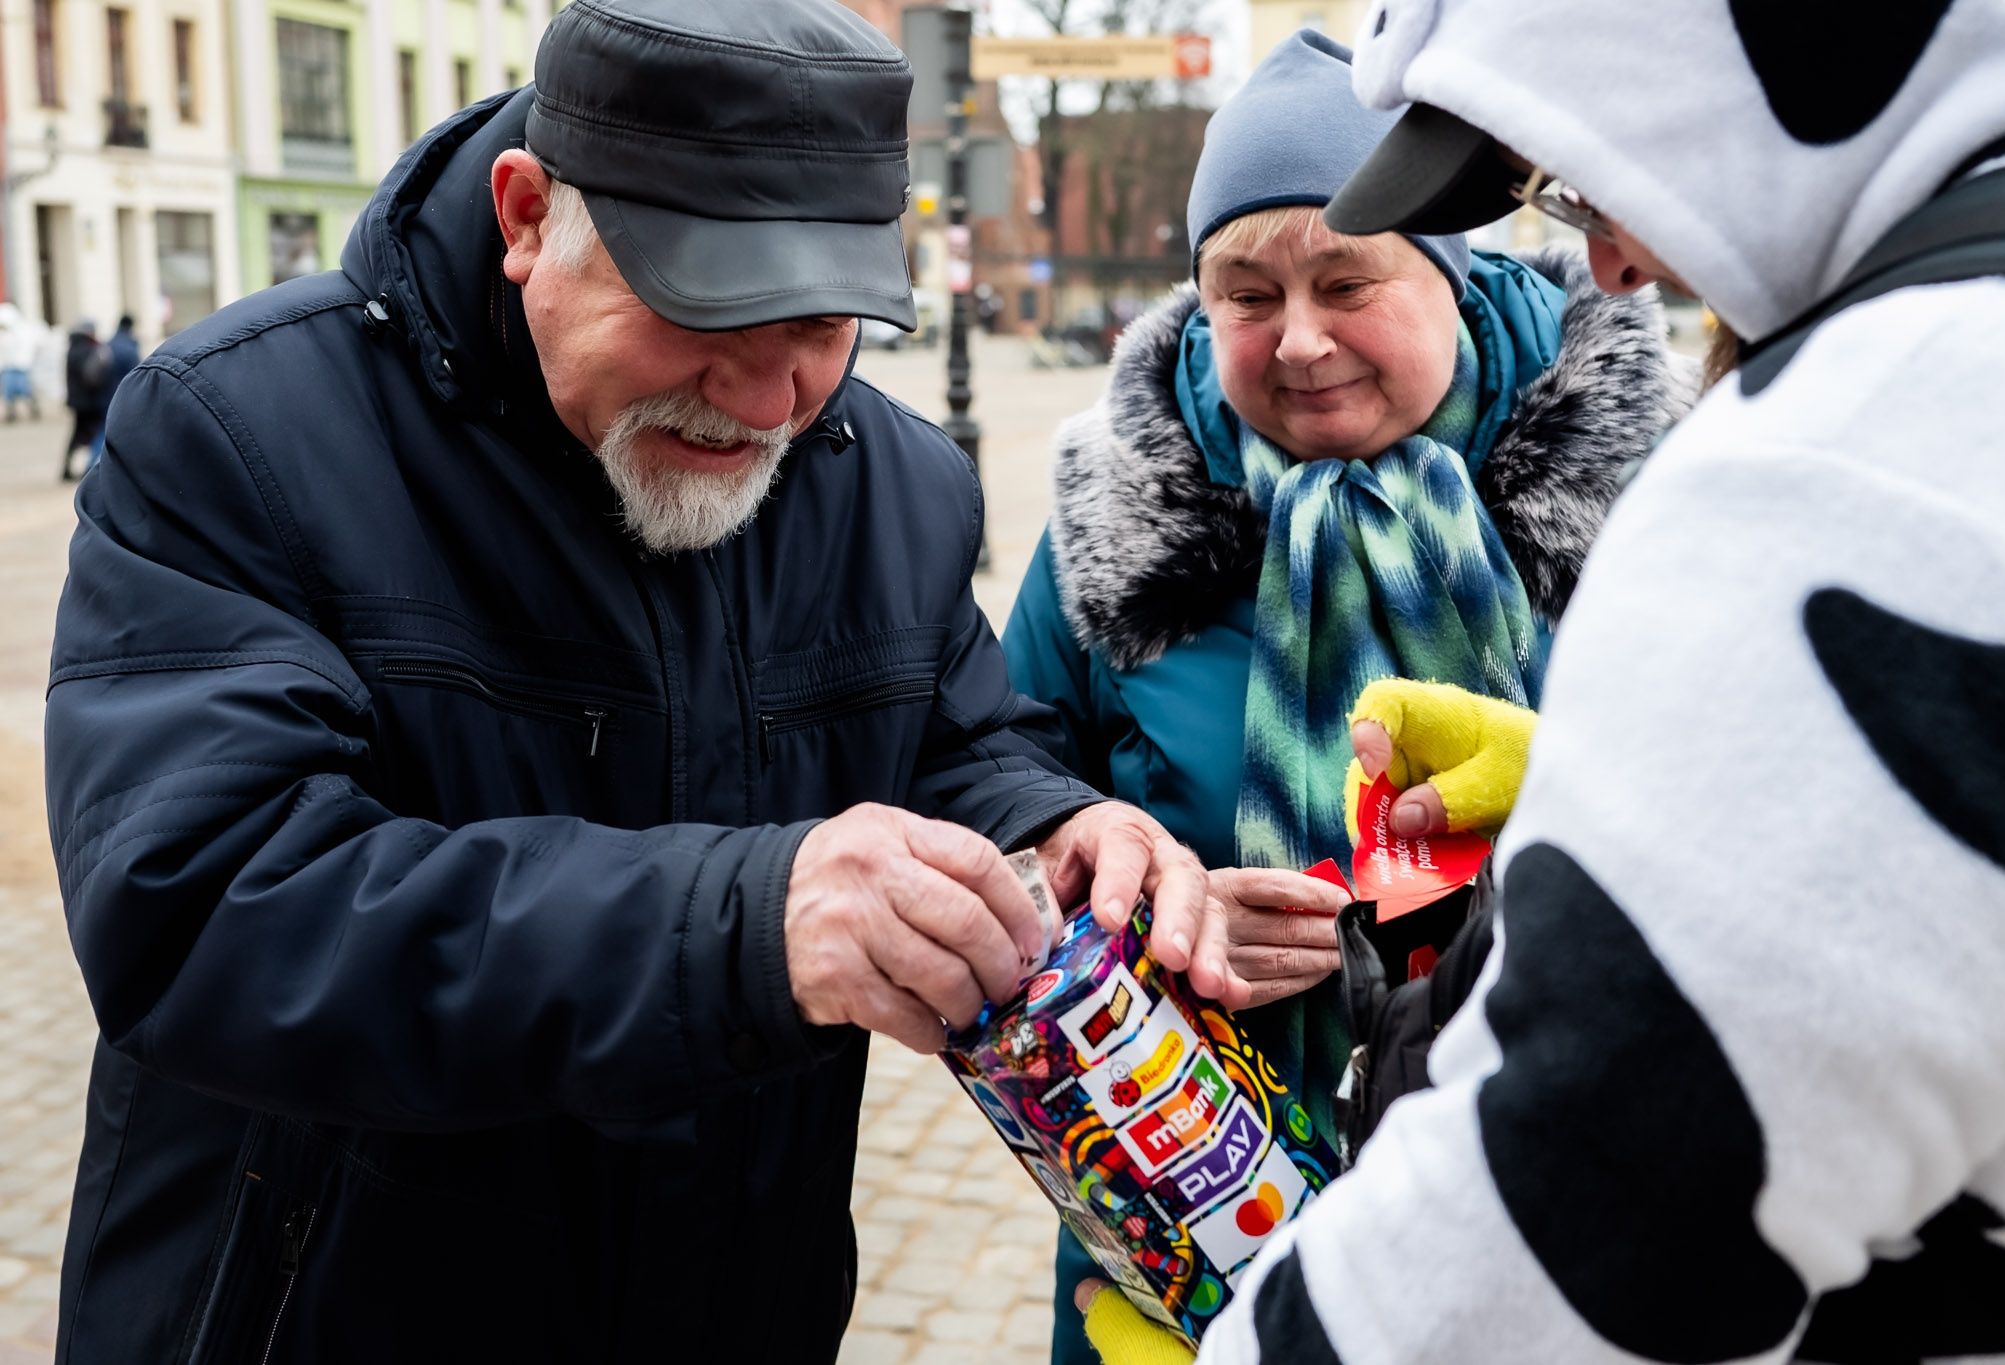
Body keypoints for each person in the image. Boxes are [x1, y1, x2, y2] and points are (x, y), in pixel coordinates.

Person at [41, 2, 1227, 1360]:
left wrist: (1053, 831)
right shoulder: (234, 432)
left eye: (829, 324)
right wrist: (744, 927)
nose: (774, 396)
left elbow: (954, 740)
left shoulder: (893, 480)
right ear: (528, 213)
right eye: (705, 309)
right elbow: (203, 909)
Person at [1180, 1, 2005, 1361]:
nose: (1611, 265)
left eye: (1579, 180)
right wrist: (1590, 788)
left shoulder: (1853, 463)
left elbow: (1542, 1255)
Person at [1000, 30, 1693, 1364]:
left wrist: (1541, 807)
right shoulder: (1115, 515)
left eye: (1348, 279)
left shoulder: (1657, 487)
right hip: (1189, 1184)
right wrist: (1142, 915)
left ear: (1452, 269)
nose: (1300, 340)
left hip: (1544, 1173)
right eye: (1245, 294)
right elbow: (999, 776)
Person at [85, 313, 140, 469]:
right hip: (123, 397)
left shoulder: (108, 344)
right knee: (109, 433)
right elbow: (136, 376)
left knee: (103, 430)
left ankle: (92, 466)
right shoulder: (130, 348)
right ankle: (91, 468)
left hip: (104, 395)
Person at [58, 318, 105, 481]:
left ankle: (68, 468)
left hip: (77, 401)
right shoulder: (87, 349)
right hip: (87, 401)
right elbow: (91, 377)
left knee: (78, 435)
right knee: (91, 434)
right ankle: (88, 469)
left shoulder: (73, 347)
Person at [0, 303, 42, 421]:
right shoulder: (3, 335)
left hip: (21, 367)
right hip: (7, 368)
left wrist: (27, 361)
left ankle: (33, 408)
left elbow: (31, 349)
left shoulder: (23, 333)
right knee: (8, 392)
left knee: (25, 390)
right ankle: (10, 412)